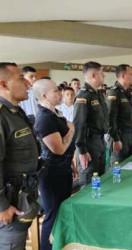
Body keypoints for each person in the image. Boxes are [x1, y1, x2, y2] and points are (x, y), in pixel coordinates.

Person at [0, 63, 40, 249]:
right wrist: (2, 206)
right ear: (4, 84)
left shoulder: (16, 112)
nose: (27, 83)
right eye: (20, 79)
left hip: (22, 194)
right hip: (9, 203)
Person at [33, 79, 76, 250]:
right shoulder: (44, 118)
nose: (59, 93)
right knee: (52, 214)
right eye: (55, 91)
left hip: (63, 168)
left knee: (62, 211)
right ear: (44, 96)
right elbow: (58, 149)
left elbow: (65, 146)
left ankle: (60, 244)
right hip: (51, 171)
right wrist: (72, 130)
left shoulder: (55, 112)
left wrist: (71, 164)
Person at [74, 61, 108, 185]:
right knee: (89, 182)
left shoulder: (97, 94)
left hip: (99, 141)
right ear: (93, 75)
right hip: (89, 144)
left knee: (101, 180)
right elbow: (79, 124)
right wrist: (82, 151)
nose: (104, 76)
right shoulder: (84, 95)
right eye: (101, 73)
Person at [107, 64, 132, 164]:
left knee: (129, 165)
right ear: (123, 76)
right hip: (120, 135)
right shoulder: (114, 92)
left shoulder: (128, 92)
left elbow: (131, 115)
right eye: (131, 74)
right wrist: (115, 139)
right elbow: (110, 119)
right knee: (119, 166)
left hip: (129, 135)